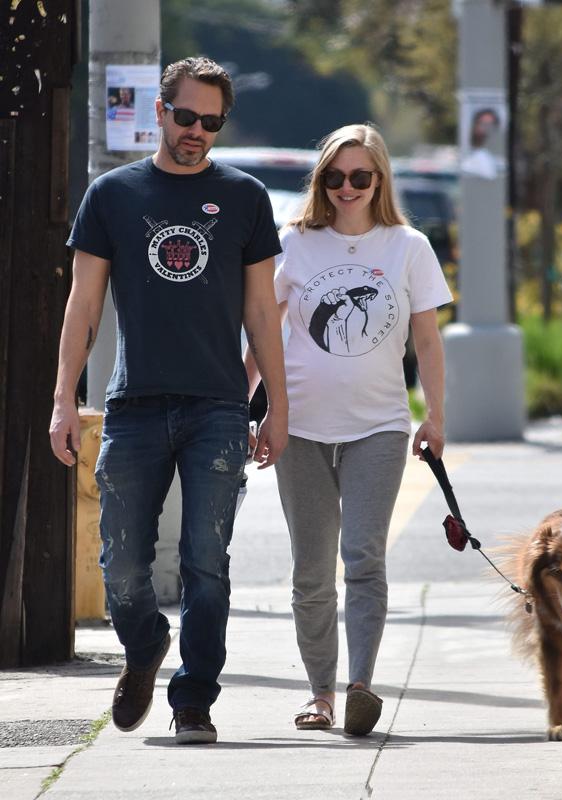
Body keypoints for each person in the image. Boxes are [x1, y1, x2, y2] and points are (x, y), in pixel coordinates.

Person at [49, 57, 288, 745]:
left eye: (211, 123)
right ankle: (145, 644)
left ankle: (193, 700)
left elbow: (263, 314)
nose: (197, 133)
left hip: (217, 406)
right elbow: (82, 304)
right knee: (121, 565)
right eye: (186, 118)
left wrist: (276, 405)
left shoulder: (243, 196)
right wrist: (63, 400)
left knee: (205, 562)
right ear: (159, 110)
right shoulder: (113, 194)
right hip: (134, 405)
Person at [246, 123, 452, 735]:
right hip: (300, 427)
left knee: (363, 558)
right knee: (311, 570)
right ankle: (321, 693)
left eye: (360, 177)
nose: (346, 188)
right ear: (322, 182)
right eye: (334, 177)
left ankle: (360, 685)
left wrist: (435, 418)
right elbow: (262, 332)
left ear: (379, 179)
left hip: (380, 429)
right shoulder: (295, 243)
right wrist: (241, 408)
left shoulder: (408, 246)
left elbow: (426, 338)